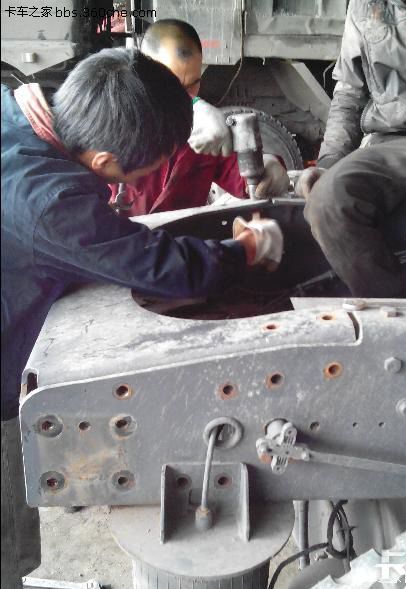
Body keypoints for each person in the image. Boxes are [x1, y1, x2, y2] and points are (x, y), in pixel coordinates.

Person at [1, 48, 283, 587]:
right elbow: (157, 267)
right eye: (143, 172)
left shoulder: (22, 109)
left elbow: (122, 70)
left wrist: (190, 105)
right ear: (104, 162)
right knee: (4, 547)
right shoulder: (47, 200)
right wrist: (245, 250)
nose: (138, 185)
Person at [296, 0, 406, 298]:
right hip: (399, 143)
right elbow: (350, 91)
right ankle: (396, 308)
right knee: (327, 201)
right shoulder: (366, 5)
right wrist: (329, 161)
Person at [109, 19, 290, 215]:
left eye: (193, 84)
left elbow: (241, 175)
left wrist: (268, 165)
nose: (184, 97)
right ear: (144, 76)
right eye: (172, 85)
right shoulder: (111, 121)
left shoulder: (206, 135)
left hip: (180, 234)